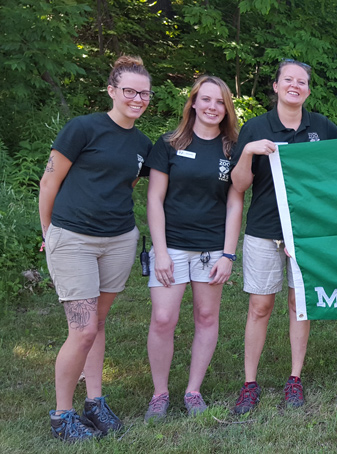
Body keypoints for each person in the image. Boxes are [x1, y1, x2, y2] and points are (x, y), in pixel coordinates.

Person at [39, 55, 153, 441]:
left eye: (144, 93)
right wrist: (49, 233)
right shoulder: (83, 128)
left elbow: (128, 187)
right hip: (73, 238)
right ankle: (62, 416)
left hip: (119, 239)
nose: (138, 99)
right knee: (83, 330)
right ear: (112, 91)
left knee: (98, 325)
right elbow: (48, 183)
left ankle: (95, 403)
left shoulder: (142, 144)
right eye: (130, 91)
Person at [229, 60, 337, 415]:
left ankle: (295, 379)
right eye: (288, 80)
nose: (295, 86)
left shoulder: (321, 127)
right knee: (260, 307)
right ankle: (250, 383)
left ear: (308, 90)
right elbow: (239, 184)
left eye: (302, 81)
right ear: (276, 86)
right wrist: (248, 151)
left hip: (306, 232)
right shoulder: (256, 127)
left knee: (298, 306)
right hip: (264, 229)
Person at [143, 76, 243, 421]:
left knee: (206, 317)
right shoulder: (169, 144)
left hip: (212, 249)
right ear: (194, 103)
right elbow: (154, 199)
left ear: (226, 108)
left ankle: (193, 390)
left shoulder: (232, 149)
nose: (213, 107)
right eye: (206, 100)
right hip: (171, 246)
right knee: (163, 318)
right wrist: (162, 251)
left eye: (220, 102)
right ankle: (160, 393)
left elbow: (234, 204)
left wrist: (228, 254)